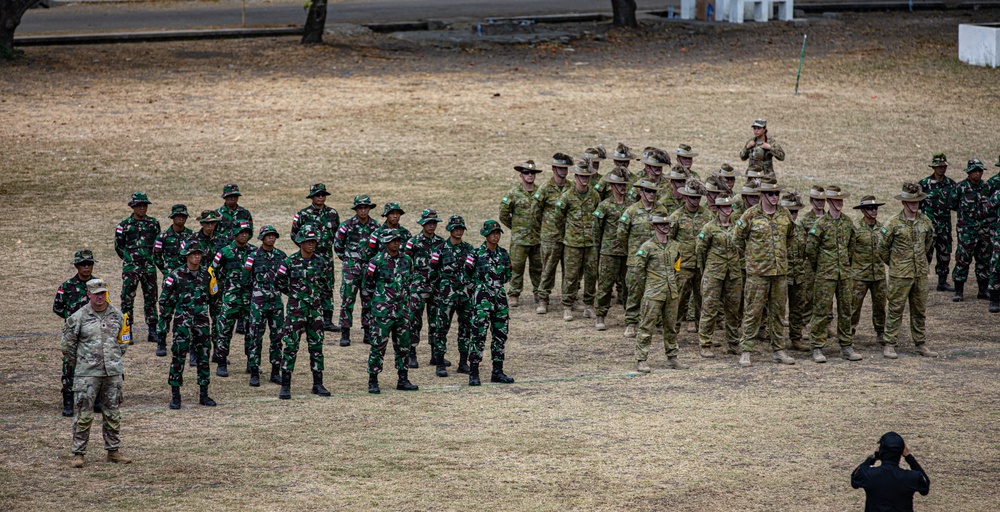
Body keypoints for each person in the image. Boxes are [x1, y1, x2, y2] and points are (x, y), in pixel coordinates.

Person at [62, 278, 130, 468]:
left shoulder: (117, 315)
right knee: (84, 414)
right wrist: (83, 364)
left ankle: (113, 450)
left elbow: (124, 340)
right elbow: (67, 345)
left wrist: (114, 357)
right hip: (87, 374)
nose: (100, 297)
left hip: (112, 372)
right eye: (96, 293)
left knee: (113, 413)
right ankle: (78, 453)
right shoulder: (79, 317)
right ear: (89, 294)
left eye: (103, 293)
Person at [735, 176, 797, 367]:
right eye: (770, 193)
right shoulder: (750, 215)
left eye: (776, 193)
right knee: (753, 312)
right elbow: (737, 240)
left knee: (778, 312)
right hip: (758, 274)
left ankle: (778, 350)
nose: (774, 197)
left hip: (779, 273)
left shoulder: (785, 214)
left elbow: (790, 238)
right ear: (762, 195)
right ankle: (746, 351)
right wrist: (752, 260)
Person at [879, 183, 939, 358]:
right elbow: (883, 248)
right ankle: (889, 343)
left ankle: (920, 343)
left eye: (918, 201)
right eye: (911, 202)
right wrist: (895, 263)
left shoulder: (925, 221)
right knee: (895, 308)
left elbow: (928, 243)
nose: (915, 205)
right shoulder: (893, 223)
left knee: (919, 309)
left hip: (920, 273)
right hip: (900, 274)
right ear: (904, 203)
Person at [805, 186, 862, 363]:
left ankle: (846, 345)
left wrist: (845, 265)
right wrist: (822, 266)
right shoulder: (820, 224)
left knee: (846, 309)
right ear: (829, 202)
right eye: (836, 201)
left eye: (841, 200)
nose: (839, 203)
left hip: (844, 274)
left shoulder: (847, 223)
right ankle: (817, 346)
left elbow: (851, 247)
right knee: (821, 310)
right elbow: (811, 250)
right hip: (825, 274)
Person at [161, 240, 220, 409]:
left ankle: (204, 393)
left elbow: (214, 300)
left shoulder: (207, 275)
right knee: (178, 356)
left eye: (199, 254)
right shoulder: (176, 275)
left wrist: (216, 323)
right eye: (193, 254)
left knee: (203, 356)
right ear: (186, 255)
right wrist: (163, 325)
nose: (196, 256)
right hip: (182, 322)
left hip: (201, 321)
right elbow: (165, 301)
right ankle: (175, 395)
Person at [275, 225, 331, 399]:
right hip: (295, 311)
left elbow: (325, 285)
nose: (311, 244)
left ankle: (318, 383)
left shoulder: (321, 262)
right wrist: (294, 295)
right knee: (291, 347)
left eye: (313, 241)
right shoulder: (289, 262)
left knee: (316, 347)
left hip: (315, 311)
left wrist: (315, 299)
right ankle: (285, 386)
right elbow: (279, 282)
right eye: (307, 241)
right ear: (300, 242)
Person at [363, 228, 419, 394]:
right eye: (393, 240)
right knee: (378, 347)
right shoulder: (376, 261)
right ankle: (373, 380)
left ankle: (403, 378)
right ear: (386, 242)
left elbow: (409, 281)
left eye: (398, 240)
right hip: (383, 313)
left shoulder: (407, 260)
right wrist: (381, 302)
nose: (397, 243)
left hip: (402, 311)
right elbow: (368, 284)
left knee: (403, 346)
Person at [617, 179, 671, 337]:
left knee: (658, 291)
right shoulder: (632, 211)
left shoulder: (661, 210)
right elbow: (621, 233)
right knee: (635, 290)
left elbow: (666, 229)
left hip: (656, 260)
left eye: (654, 191)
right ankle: (631, 322)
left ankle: (657, 322)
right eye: (648, 191)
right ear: (641, 192)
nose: (651, 194)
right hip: (637, 260)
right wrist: (632, 250)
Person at [465, 220, 515, 385]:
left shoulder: (503, 254)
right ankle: (474, 373)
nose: (496, 236)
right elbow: (466, 275)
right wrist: (479, 289)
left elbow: (507, 275)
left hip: (499, 300)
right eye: (493, 233)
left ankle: (497, 371)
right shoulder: (476, 254)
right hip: (482, 302)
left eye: (498, 233)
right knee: (478, 336)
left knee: (500, 335)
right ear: (486, 235)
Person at [634, 215, 686, 372]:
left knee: (671, 326)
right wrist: (648, 288)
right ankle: (641, 358)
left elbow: (677, 267)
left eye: (667, 224)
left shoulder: (675, 246)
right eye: (660, 224)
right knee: (646, 326)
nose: (665, 227)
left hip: (671, 292)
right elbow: (638, 271)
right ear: (653, 226)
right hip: (653, 292)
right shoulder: (647, 247)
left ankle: (672, 357)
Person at [54, 250, 101, 417]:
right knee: (69, 366)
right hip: (73, 334)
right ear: (76, 266)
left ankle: (96, 400)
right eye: (83, 264)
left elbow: (105, 306)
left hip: (94, 333)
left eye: (89, 264)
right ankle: (68, 401)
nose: (86, 267)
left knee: (96, 365)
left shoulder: (98, 285)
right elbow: (58, 308)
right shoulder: (66, 287)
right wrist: (72, 320)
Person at [554, 156, 601, 321]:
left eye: (587, 177)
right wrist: (567, 234)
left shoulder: (594, 195)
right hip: (573, 243)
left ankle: (589, 305)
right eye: (581, 176)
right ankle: (567, 305)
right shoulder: (567, 196)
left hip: (590, 243)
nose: (584, 179)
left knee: (591, 274)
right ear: (575, 177)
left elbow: (598, 218)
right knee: (571, 275)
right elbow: (558, 218)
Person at [695, 193, 743, 357]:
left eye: (730, 206)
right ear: (717, 209)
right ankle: (705, 343)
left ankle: (733, 343)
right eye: (724, 207)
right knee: (709, 308)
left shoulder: (737, 226)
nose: (727, 210)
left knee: (733, 310)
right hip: (714, 273)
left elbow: (743, 246)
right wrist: (707, 270)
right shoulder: (709, 228)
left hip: (734, 273)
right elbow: (700, 251)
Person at [428, 215, 476, 376]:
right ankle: (440, 363)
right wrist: (438, 292)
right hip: (446, 296)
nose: (458, 231)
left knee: (465, 330)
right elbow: (432, 273)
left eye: (461, 228)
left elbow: (474, 272)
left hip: (465, 297)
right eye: (455, 228)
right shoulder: (440, 249)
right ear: (449, 230)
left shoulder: (469, 249)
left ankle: (463, 363)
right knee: (441, 329)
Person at [291, 184, 340, 332]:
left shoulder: (332, 213)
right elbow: (294, 234)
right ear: (312, 197)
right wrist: (305, 249)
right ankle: (307, 319)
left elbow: (338, 235)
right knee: (309, 286)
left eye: (323, 194)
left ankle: (327, 320)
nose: (320, 197)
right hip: (310, 257)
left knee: (327, 286)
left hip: (326, 257)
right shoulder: (303, 214)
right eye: (317, 195)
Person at [333, 195, 381, 346]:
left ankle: (367, 331)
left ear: (369, 209)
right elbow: (338, 246)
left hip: (369, 269)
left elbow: (380, 248)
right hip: (351, 268)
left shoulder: (376, 227)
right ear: (356, 209)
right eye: (360, 207)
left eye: (365, 207)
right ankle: (345, 332)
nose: (363, 210)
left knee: (368, 300)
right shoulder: (346, 225)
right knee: (347, 300)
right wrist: (349, 260)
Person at [210, 221, 255, 377]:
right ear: (235, 234)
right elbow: (211, 271)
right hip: (230, 298)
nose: (244, 235)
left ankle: (252, 362)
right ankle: (221, 363)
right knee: (225, 330)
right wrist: (217, 290)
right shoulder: (224, 252)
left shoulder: (254, 252)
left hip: (249, 299)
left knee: (252, 330)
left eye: (246, 232)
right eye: (241, 232)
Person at [114, 191, 160, 343]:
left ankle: (152, 330)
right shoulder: (124, 226)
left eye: (144, 205)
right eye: (139, 205)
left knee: (151, 298)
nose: (142, 208)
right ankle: (127, 330)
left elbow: (158, 245)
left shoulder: (153, 224)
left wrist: (150, 259)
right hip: (131, 269)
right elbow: (119, 247)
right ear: (133, 207)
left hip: (149, 268)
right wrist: (130, 260)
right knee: (127, 299)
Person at [244, 225, 286, 386]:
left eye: (273, 236)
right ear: (261, 238)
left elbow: (285, 279)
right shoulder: (252, 256)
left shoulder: (281, 256)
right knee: (255, 337)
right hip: (258, 304)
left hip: (276, 303)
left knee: (277, 338)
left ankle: (275, 371)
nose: (271, 238)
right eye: (268, 236)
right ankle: (254, 371)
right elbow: (246, 280)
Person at [404, 209, 446, 368]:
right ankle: (411, 353)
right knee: (414, 320)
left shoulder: (441, 243)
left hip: (436, 287)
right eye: (428, 223)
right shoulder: (413, 242)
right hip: (417, 287)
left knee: (436, 321)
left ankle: (436, 354)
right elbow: (405, 262)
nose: (431, 226)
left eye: (434, 223)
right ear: (422, 224)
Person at [670, 178, 712, 334]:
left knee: (702, 300)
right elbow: (670, 241)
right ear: (685, 197)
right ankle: (674, 330)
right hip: (682, 265)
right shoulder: (676, 217)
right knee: (679, 299)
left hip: (701, 265)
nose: (695, 201)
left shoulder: (707, 216)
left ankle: (702, 332)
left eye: (698, 198)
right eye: (692, 197)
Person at [500, 160, 544, 308]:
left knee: (538, 267)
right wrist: (516, 227)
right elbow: (504, 214)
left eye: (532, 173)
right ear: (521, 175)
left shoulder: (540, 192)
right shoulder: (513, 193)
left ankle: (539, 293)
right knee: (516, 267)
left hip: (537, 238)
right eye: (526, 173)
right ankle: (514, 294)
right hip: (520, 239)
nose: (530, 175)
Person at [533, 152, 573, 314]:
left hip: (570, 236)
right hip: (550, 236)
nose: (563, 171)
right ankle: (543, 299)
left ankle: (568, 300)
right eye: (559, 168)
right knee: (548, 269)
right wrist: (544, 230)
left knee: (569, 271)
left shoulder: (571, 187)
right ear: (553, 169)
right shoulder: (545, 189)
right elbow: (535, 213)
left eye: (565, 168)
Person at [851, 432, 930, 512]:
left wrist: (873, 457)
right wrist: (909, 457)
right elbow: (925, 487)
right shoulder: (911, 477)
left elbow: (854, 478)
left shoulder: (869, 474)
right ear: (902, 452)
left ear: (881, 451)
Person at [593, 168, 631, 330]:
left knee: (629, 286)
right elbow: (596, 230)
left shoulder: (632, 205)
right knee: (605, 285)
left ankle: (631, 319)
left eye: (624, 184)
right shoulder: (604, 205)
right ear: (612, 186)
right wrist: (599, 249)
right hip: (609, 252)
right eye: (619, 185)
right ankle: (600, 315)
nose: (622, 187)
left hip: (628, 252)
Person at [949, 159, 993, 302]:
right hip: (967, 232)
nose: (977, 174)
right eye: (974, 171)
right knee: (963, 259)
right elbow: (952, 204)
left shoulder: (986, 187)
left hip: (984, 231)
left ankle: (983, 290)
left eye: (980, 171)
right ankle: (958, 291)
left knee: (984, 260)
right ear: (969, 172)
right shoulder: (960, 187)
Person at [152, 204, 192, 357]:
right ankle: (161, 341)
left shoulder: (191, 236)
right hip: (170, 280)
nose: (180, 218)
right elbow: (156, 256)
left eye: (183, 216)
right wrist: (166, 271)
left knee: (187, 311)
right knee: (166, 311)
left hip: (187, 279)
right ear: (172, 218)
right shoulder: (163, 237)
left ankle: (184, 340)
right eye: (177, 216)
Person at [851, 196, 888, 349]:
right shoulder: (856, 229)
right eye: (871, 208)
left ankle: (880, 332)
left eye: (876, 208)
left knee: (880, 305)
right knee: (854, 306)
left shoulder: (882, 229)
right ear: (863, 211)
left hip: (878, 274)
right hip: (860, 275)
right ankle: (849, 333)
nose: (874, 211)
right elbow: (849, 250)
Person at [918, 153, 957, 292]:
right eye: (939, 167)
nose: (941, 169)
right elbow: (915, 205)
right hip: (928, 227)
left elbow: (956, 204)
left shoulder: (951, 184)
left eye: (943, 166)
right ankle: (922, 282)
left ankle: (942, 282)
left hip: (945, 227)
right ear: (933, 167)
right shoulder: (923, 184)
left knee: (944, 255)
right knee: (926, 255)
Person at [780, 192, 810, 352]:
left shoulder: (800, 230)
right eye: (791, 211)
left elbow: (806, 252)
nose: (794, 215)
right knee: (777, 309)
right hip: (781, 275)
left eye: (796, 211)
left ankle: (796, 338)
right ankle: (776, 339)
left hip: (798, 275)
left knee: (797, 308)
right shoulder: (777, 230)